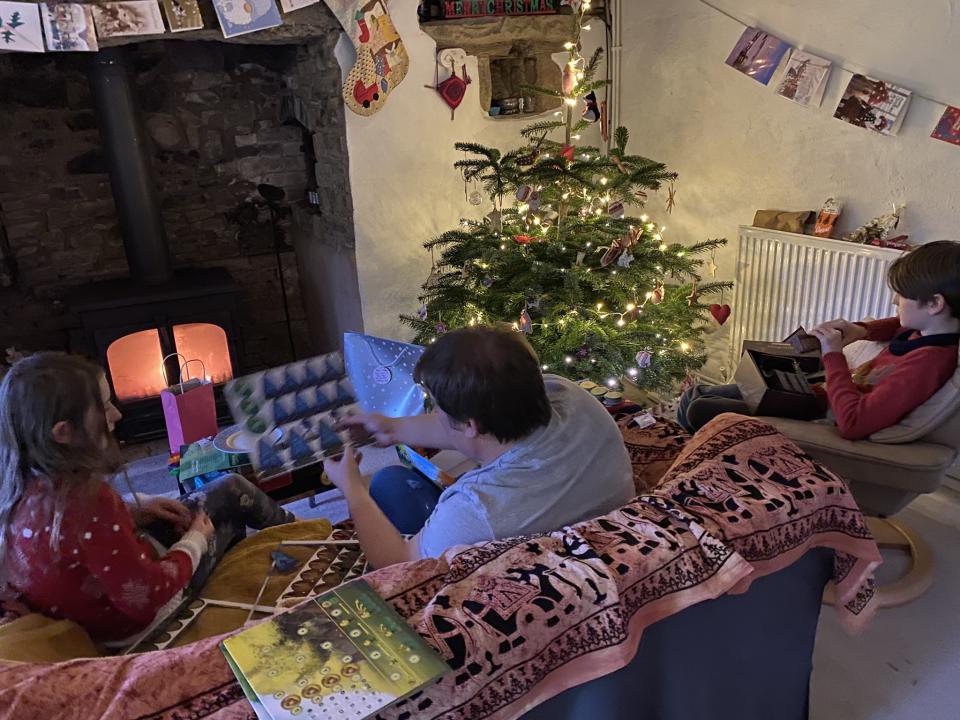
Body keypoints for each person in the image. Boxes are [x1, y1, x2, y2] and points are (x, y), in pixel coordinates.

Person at [0, 353, 295, 644]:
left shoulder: (23, 481)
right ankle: (304, 536)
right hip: (142, 622)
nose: (117, 414)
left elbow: (80, 543)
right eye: (103, 407)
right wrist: (195, 540)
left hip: (106, 597)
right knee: (231, 494)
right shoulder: (90, 502)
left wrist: (133, 508)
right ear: (63, 432)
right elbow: (148, 596)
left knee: (213, 501)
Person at [323, 326, 634, 569]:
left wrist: (353, 490)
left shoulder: (476, 507)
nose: (436, 413)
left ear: (471, 425)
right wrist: (389, 428)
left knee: (387, 484)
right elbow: (462, 431)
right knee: (394, 481)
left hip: (528, 565)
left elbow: (399, 562)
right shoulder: (568, 395)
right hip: (584, 517)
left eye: (438, 406)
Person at [677, 240, 960, 439]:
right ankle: (677, 455)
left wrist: (833, 355)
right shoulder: (923, 331)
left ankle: (693, 466)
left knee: (701, 408)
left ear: (934, 304)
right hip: (815, 394)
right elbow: (895, 326)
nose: (893, 300)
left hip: (819, 410)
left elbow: (853, 423)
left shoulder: (928, 363)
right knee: (695, 394)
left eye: (902, 294)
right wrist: (860, 330)